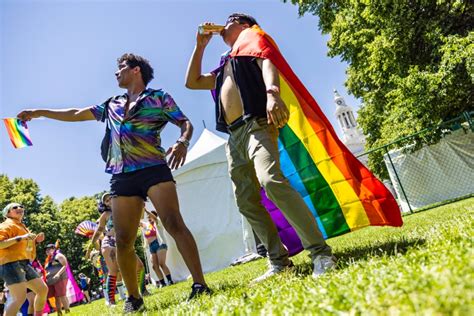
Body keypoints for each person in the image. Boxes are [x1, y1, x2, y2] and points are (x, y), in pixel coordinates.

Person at [18, 53, 210, 312]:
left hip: (154, 167)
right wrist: (39, 112)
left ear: (136, 70)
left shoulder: (159, 97)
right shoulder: (112, 104)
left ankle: (200, 284)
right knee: (122, 239)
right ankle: (134, 299)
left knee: (174, 223)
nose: (115, 73)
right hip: (122, 175)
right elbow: (76, 113)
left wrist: (183, 141)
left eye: (120, 68)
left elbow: (184, 122)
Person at [185, 13, 336, 282]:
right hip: (234, 137)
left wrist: (272, 94)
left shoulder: (252, 40)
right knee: (245, 200)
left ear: (245, 25)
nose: (224, 24)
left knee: (271, 180)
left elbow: (266, 62)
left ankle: (321, 253)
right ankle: (279, 261)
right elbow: (193, 82)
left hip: (257, 124)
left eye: (231, 20)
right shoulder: (225, 64)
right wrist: (200, 46)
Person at [0, 203, 48, 316]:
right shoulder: (5, 226)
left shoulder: (21, 226)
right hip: (10, 264)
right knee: (19, 298)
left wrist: (35, 241)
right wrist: (21, 238)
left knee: (42, 290)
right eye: (15, 207)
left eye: (21, 206)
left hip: (24, 263)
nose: (19, 208)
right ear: (7, 213)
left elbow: (23, 245)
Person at [140, 209, 173, 287]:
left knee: (162, 264)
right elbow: (138, 222)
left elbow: (154, 218)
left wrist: (146, 210)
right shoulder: (147, 225)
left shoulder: (158, 222)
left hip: (160, 244)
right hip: (152, 246)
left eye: (150, 216)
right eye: (147, 217)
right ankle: (162, 283)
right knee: (154, 266)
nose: (148, 218)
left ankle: (170, 280)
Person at [44, 244, 70, 315]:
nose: (47, 251)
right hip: (51, 280)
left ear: (53, 248)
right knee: (56, 297)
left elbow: (65, 265)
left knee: (62, 296)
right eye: (46, 250)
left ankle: (68, 312)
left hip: (60, 278)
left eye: (49, 249)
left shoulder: (59, 256)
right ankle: (59, 313)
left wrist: (58, 274)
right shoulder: (48, 259)